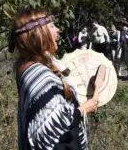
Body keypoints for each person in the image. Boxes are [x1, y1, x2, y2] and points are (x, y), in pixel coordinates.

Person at [8, 9, 98, 150]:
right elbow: (53, 135)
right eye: (51, 26)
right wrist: (83, 109)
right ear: (38, 34)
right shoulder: (42, 78)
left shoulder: (28, 68)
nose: (58, 30)